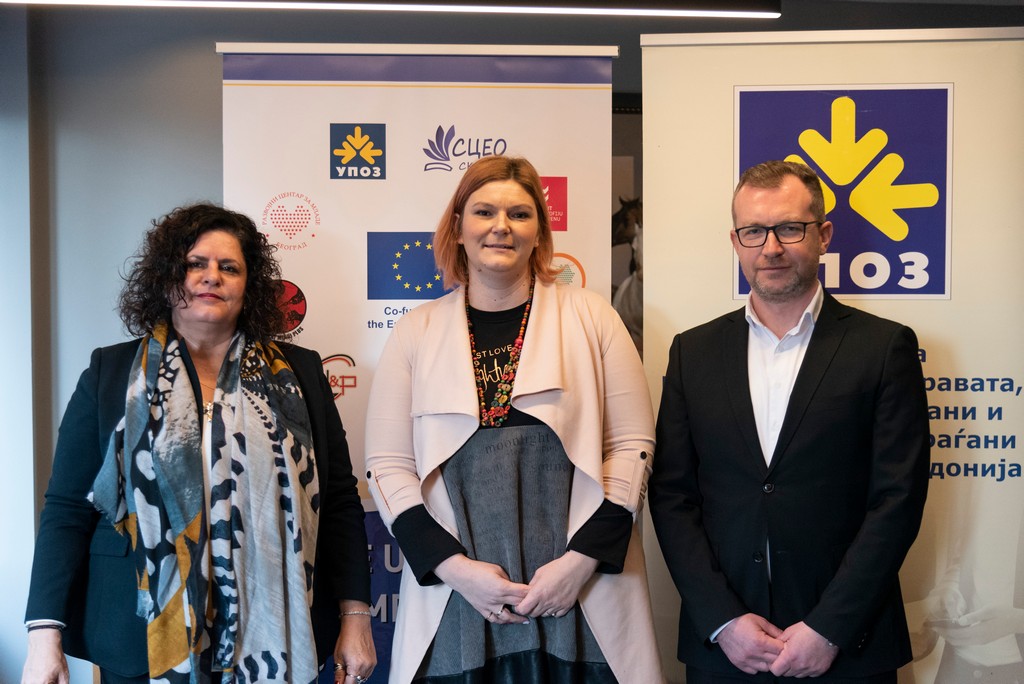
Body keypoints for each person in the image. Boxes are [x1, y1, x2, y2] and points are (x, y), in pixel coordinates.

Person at [22, 204, 375, 684]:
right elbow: (67, 507)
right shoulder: (112, 372)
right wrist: (44, 630)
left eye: (230, 267)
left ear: (248, 286)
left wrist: (356, 615)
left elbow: (337, 504)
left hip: (276, 632)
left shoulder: (301, 374)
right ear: (168, 278)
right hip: (139, 634)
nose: (212, 276)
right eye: (195, 264)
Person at [364, 155, 663, 683]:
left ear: (539, 232)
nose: (501, 226)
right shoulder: (416, 332)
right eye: (484, 212)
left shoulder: (593, 317)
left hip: (580, 588)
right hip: (459, 597)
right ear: (458, 228)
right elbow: (387, 466)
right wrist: (459, 572)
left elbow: (633, 447)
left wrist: (578, 564)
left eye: (520, 214)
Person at [649, 160, 930, 683]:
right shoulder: (693, 352)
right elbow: (671, 496)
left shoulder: (883, 347)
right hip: (726, 651)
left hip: (849, 649)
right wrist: (723, 621)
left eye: (789, 228)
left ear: (824, 234)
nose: (771, 247)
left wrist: (829, 629)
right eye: (754, 231)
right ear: (735, 242)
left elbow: (898, 499)